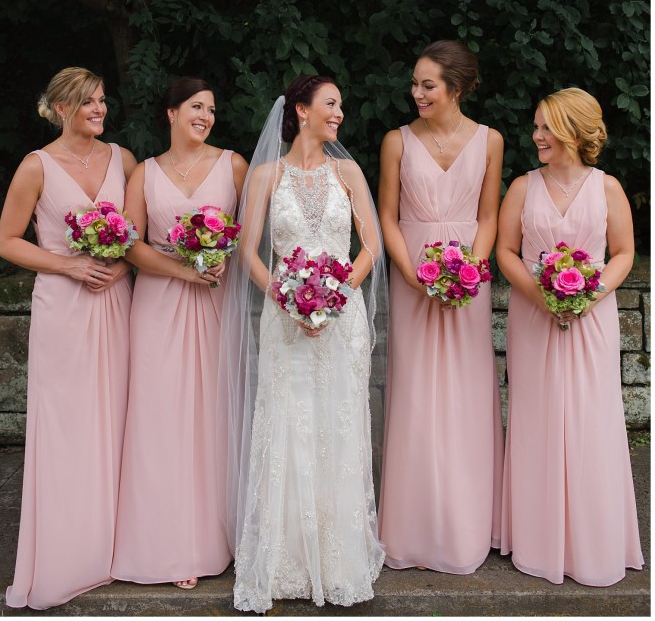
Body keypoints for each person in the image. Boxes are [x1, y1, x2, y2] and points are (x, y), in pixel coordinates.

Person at [221, 75, 387, 614]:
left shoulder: (349, 171)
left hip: (343, 319)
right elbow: (248, 252)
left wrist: (335, 295)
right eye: (331, 103)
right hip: (284, 318)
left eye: (341, 104)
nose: (339, 113)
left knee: (339, 426)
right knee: (288, 424)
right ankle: (284, 558)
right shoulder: (268, 174)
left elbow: (372, 245)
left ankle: (340, 559)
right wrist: (289, 300)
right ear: (301, 109)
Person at [0, 67, 137, 610]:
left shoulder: (122, 160)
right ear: (60, 108)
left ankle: (113, 548)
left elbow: (137, 236)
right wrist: (67, 266)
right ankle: (65, 553)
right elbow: (7, 241)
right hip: (63, 307)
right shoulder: (35, 167)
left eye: (102, 101)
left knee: (117, 418)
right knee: (67, 425)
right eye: (87, 103)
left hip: (115, 304)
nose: (99, 111)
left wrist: (120, 269)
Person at [497, 87, 643, 585]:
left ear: (574, 131)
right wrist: (542, 297)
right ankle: (537, 538)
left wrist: (588, 295)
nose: (536, 135)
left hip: (591, 318)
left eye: (545, 127)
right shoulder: (521, 186)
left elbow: (623, 252)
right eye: (535, 126)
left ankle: (592, 540)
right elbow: (506, 253)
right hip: (534, 317)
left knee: (589, 420)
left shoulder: (608, 188)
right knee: (536, 418)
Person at [111, 77, 248, 590]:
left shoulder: (233, 165)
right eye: (195, 107)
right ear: (170, 113)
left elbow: (251, 235)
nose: (205, 116)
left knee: (213, 416)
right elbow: (131, 243)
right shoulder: (144, 173)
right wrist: (182, 269)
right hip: (160, 305)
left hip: (216, 303)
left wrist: (216, 258)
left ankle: (217, 540)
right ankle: (166, 546)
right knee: (160, 418)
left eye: (211, 109)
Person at [378, 40, 504, 573]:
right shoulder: (396, 141)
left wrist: (469, 273)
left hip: (466, 286)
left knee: (467, 395)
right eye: (414, 84)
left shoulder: (491, 140)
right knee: (415, 394)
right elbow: (385, 214)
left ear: (456, 87)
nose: (417, 93)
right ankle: (411, 529)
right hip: (412, 281)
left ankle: (468, 525)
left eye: (427, 84)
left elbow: (490, 216)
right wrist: (411, 274)